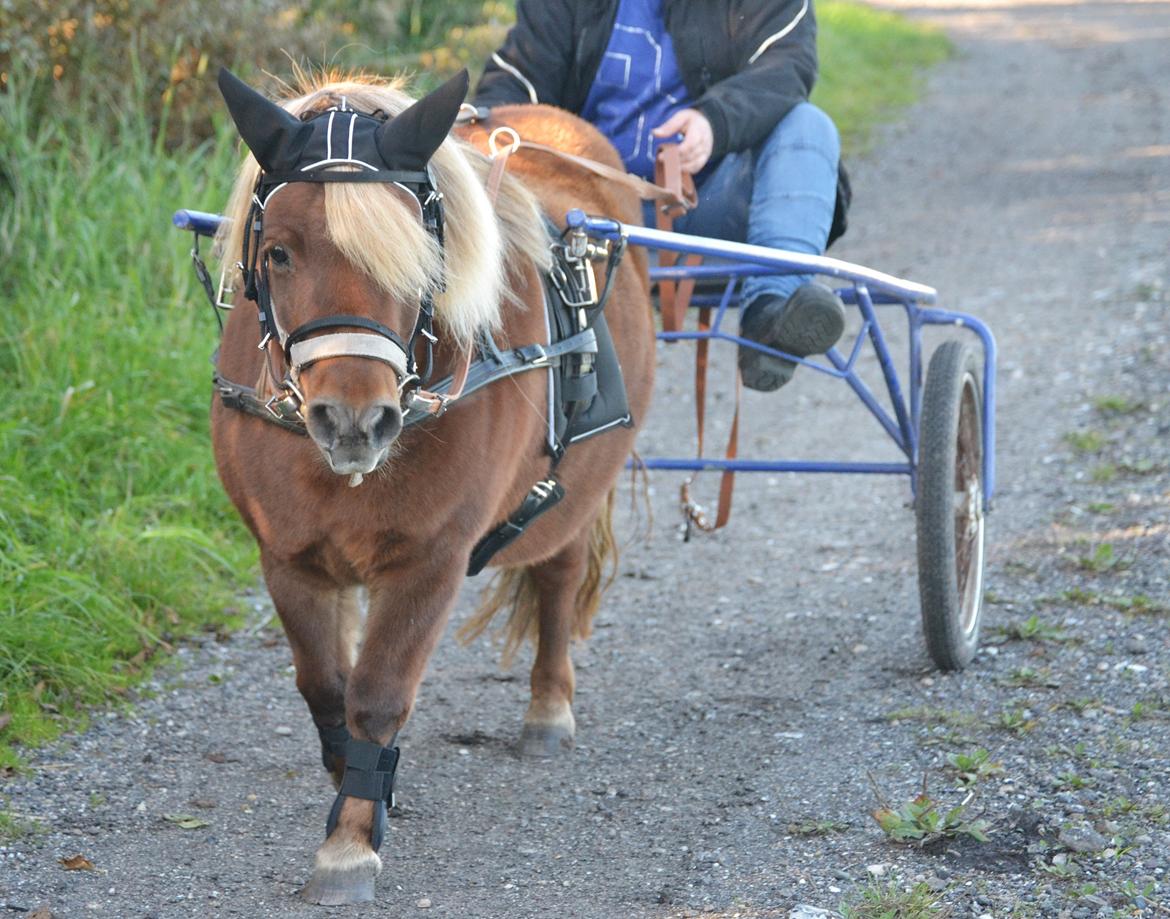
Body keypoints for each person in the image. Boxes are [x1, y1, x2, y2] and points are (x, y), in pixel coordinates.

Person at [474, 0, 849, 391]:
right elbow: (517, 79)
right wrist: (476, 125)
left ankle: (772, 316)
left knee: (810, 125)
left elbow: (786, 67)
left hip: (712, 204)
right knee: (489, 138)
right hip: (589, 221)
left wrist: (713, 122)